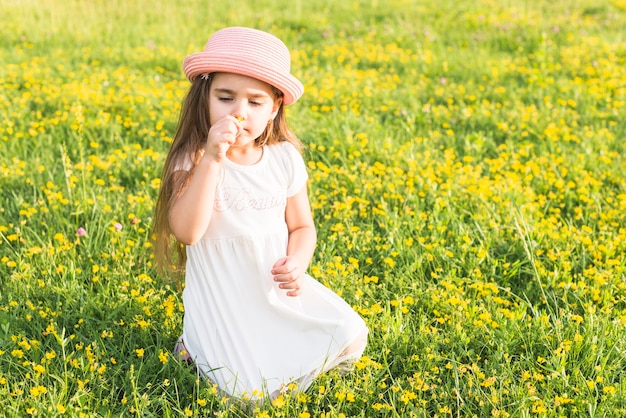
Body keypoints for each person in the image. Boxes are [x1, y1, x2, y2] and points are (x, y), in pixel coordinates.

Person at [152, 27, 368, 401]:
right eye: (225, 97)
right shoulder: (194, 161)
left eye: (255, 102)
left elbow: (302, 226)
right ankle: (195, 342)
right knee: (248, 392)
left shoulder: (283, 159)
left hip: (272, 291)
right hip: (222, 300)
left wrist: (297, 262)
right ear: (204, 98)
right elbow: (187, 232)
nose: (238, 112)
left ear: (274, 110)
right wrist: (213, 158)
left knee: (349, 332)